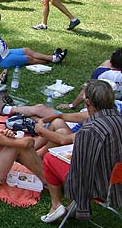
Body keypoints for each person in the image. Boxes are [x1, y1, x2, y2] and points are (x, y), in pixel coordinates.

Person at [40, 80, 122, 223]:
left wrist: (40, 130)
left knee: (49, 158)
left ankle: (56, 205)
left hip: (104, 188)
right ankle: (71, 205)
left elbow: (81, 170)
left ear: (88, 102)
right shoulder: (117, 119)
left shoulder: (91, 129)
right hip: (117, 179)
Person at [0, 9, 67, 68]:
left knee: (27, 50)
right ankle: (53, 59)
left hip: (7, 52)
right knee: (28, 58)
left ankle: (53, 58)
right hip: (1, 60)